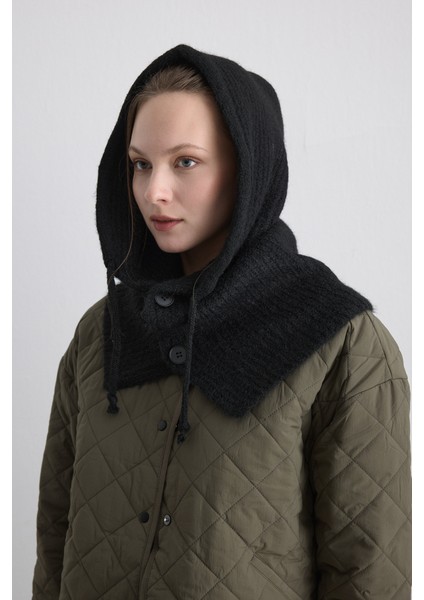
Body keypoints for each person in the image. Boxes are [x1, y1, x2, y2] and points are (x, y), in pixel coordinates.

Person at [32, 44, 411, 599]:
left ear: (247, 168)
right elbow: (55, 538)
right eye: (140, 164)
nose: (154, 191)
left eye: (185, 161)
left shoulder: (340, 343)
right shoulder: (101, 334)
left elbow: (368, 572)